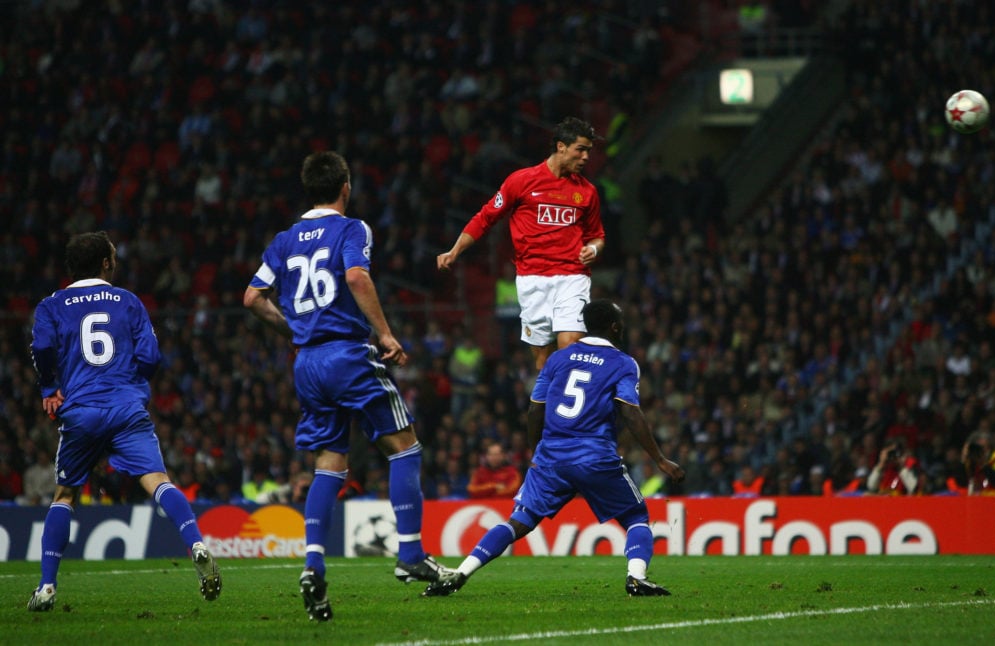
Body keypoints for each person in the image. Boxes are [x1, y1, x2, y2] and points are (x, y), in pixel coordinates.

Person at [243, 151, 451, 622]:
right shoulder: (352, 229)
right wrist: (385, 333)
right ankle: (411, 555)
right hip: (346, 353)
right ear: (346, 187)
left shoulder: (284, 240)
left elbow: (252, 297)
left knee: (329, 465)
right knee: (405, 448)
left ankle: (313, 562)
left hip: (308, 363)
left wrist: (294, 331)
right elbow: (356, 276)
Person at [422, 300, 685, 598]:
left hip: (551, 456)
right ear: (614, 326)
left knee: (519, 521)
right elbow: (631, 413)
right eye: (621, 321)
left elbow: (535, 411)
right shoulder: (623, 363)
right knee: (636, 517)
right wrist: (660, 459)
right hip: (594, 454)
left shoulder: (558, 359)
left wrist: (537, 454)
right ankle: (636, 577)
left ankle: (460, 573)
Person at [27, 232, 221, 612]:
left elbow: (42, 348)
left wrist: (50, 387)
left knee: (65, 495)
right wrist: (130, 379)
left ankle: (47, 586)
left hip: (81, 410)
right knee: (158, 482)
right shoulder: (127, 301)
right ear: (104, 263)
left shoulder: (51, 305)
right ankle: (197, 544)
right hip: (126, 407)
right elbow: (151, 357)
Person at [437, 116, 606, 371]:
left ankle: (565, 410)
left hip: (572, 277)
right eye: (580, 149)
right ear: (561, 146)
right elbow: (485, 218)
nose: (585, 157)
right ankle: (546, 407)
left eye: (589, 152)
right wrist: (454, 251)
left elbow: (597, 236)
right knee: (543, 361)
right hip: (532, 280)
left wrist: (593, 249)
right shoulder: (521, 181)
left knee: (570, 347)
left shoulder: (588, 192)